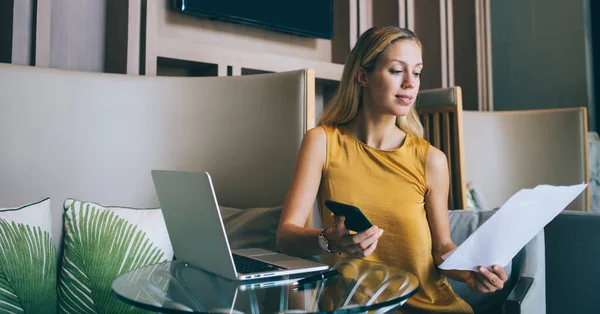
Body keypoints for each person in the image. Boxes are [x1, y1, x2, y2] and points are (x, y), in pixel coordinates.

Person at [276, 26, 507, 313]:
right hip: (354, 307)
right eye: (397, 71)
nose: (411, 83)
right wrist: (329, 241)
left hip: (430, 306)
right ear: (363, 76)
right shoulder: (322, 142)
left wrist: (471, 271)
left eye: (417, 72)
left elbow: (442, 249)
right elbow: (285, 237)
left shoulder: (431, 159)